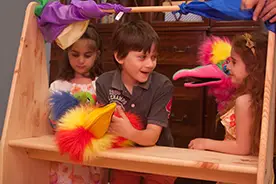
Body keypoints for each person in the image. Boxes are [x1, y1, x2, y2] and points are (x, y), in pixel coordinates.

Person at [95, 20, 175, 184]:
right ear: (119, 56)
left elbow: (152, 137)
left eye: (153, 57)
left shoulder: (163, 85)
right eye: (142, 57)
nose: (150, 64)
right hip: (123, 159)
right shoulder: (104, 82)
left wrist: (128, 132)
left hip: (158, 159)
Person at [189, 31, 270, 182]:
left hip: (238, 175)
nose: (228, 67)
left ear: (253, 67)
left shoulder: (245, 101)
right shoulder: (261, 99)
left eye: (234, 62)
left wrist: (205, 143)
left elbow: (242, 147)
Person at [48, 25, 107, 184]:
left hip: (91, 153)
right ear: (67, 53)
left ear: (97, 55)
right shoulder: (59, 86)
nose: (81, 61)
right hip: (64, 152)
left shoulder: (100, 84)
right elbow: (52, 120)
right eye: (75, 55)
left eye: (87, 55)